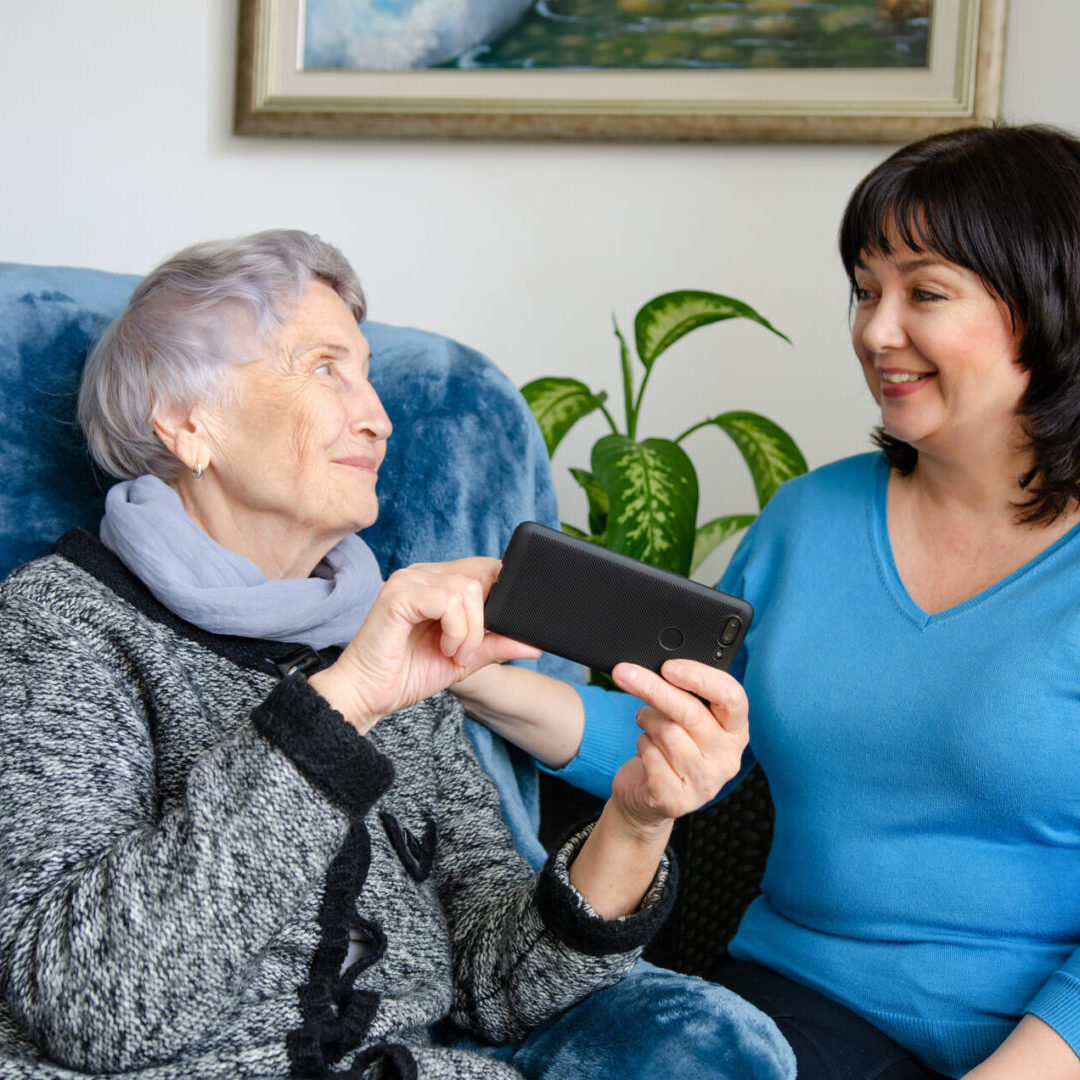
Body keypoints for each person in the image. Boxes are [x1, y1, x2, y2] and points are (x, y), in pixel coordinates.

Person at [0, 230, 796, 1080]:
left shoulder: (387, 643)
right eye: (323, 368)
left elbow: (499, 983)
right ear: (187, 422)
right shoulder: (58, 628)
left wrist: (635, 823)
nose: (378, 417)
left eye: (368, 373)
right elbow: (96, 1008)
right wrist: (346, 703)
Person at [454, 123, 1080, 1080]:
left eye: (926, 292)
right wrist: (483, 682)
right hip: (790, 1015)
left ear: (1048, 306)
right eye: (866, 290)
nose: (876, 331)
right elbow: (691, 737)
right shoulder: (812, 517)